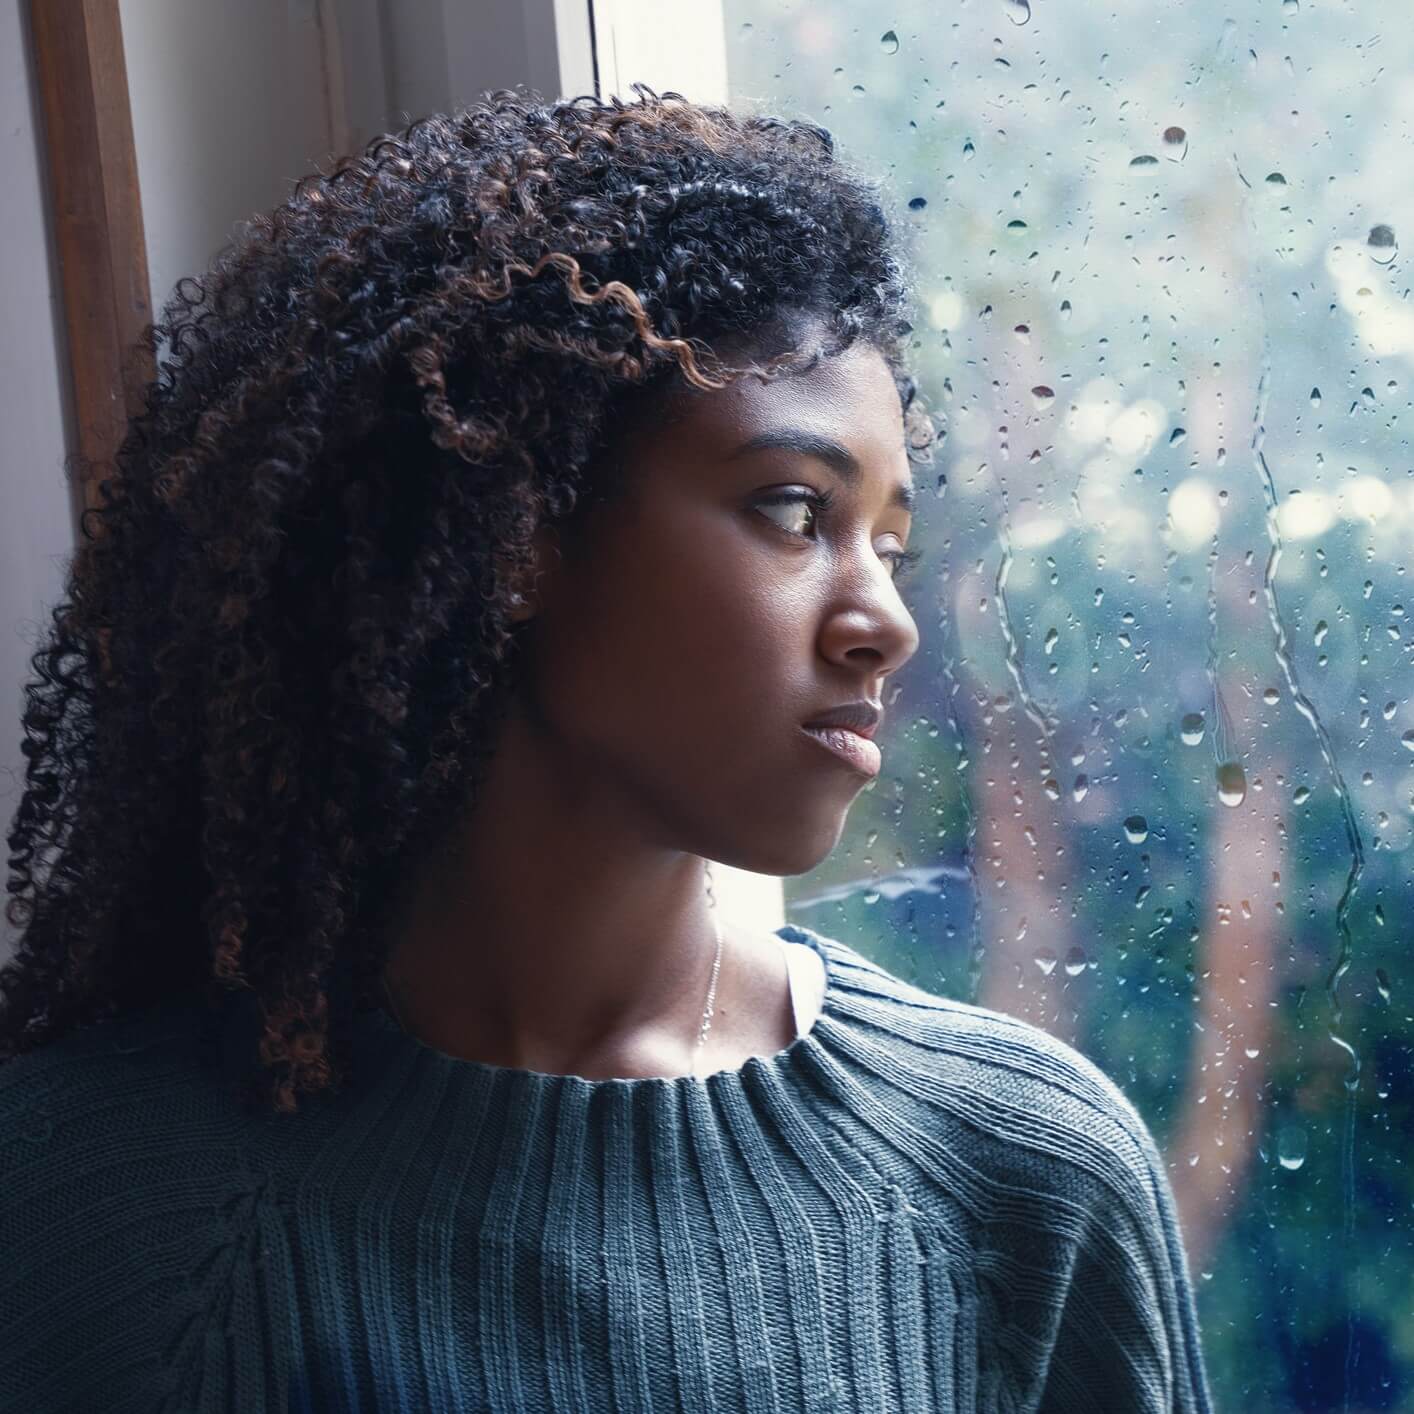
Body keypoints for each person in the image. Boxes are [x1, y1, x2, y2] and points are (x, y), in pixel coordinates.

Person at [0, 85, 1214, 1412]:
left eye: (891, 543)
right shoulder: (87, 1208)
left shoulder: (1022, 1180)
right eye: (794, 511)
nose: (883, 623)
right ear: (516, 528)